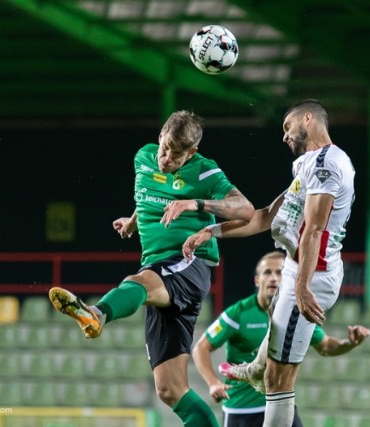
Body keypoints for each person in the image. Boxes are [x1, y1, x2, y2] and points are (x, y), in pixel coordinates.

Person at [48, 110, 254, 427]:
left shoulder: (205, 172)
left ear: (192, 153)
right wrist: (132, 222)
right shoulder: (143, 157)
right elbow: (149, 196)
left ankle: (97, 314)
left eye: (176, 153)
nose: (166, 158)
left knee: (139, 282)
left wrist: (196, 204)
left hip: (188, 263)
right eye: (165, 147)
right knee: (171, 390)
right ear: (160, 136)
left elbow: (246, 209)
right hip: (161, 269)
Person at [182, 100, 356, 426]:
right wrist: (211, 231)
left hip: (311, 273)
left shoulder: (325, 165)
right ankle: (255, 367)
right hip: (298, 267)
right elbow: (264, 217)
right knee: (273, 368)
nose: (284, 136)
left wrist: (302, 286)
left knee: (279, 381)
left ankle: (258, 369)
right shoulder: (308, 166)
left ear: (309, 119)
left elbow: (315, 229)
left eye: (287, 127)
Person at [193, 250, 370, 427]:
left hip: (281, 402)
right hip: (241, 411)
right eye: (267, 272)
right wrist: (213, 383)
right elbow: (201, 348)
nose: (273, 278)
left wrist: (350, 343)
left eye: (279, 272)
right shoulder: (238, 313)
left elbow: (325, 346)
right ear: (257, 280)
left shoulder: (296, 313)